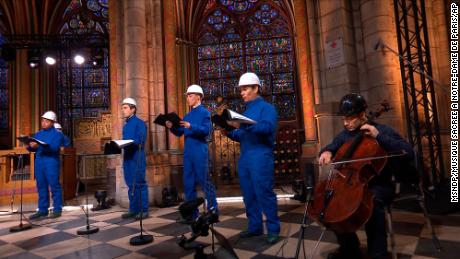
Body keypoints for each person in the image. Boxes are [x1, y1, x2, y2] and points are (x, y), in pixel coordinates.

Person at [318, 93, 414, 259]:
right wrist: (326, 151)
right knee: (330, 202)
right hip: (351, 183)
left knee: (372, 201)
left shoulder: (382, 130)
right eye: (343, 119)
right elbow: (331, 146)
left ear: (362, 115)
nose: (346, 123)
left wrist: (378, 136)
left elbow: (408, 152)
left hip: (380, 184)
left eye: (350, 118)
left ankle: (378, 253)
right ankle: (350, 247)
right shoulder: (344, 135)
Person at [224, 72, 280, 244]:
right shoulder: (246, 111)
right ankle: (255, 227)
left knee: (264, 193)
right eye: (241, 90)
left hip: (261, 155)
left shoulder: (267, 108)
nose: (242, 93)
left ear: (256, 88)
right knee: (248, 194)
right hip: (246, 157)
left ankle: (273, 230)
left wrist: (243, 124)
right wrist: (228, 130)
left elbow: (267, 128)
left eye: (245, 89)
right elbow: (242, 135)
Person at [166, 84, 218, 220]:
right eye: (187, 96)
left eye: (190, 96)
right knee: (188, 183)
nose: (187, 98)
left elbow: (206, 131)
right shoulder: (187, 115)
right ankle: (192, 214)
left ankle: (213, 212)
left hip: (200, 152)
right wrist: (171, 128)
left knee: (205, 182)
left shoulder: (205, 113)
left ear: (198, 97)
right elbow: (180, 132)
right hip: (188, 153)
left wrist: (191, 125)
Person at [28, 111, 64, 219]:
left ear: (52, 122)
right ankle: (42, 209)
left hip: (51, 162)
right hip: (39, 162)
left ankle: (57, 209)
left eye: (46, 121)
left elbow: (54, 148)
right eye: (42, 120)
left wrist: (39, 145)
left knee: (54, 185)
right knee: (41, 186)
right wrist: (30, 146)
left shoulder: (57, 134)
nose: (43, 123)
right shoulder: (38, 134)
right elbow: (31, 148)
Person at [120, 97, 148, 220]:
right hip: (127, 157)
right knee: (131, 184)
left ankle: (144, 210)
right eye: (122, 108)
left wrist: (129, 142)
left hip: (137, 157)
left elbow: (140, 140)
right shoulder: (125, 126)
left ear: (133, 109)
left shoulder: (140, 123)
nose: (123, 110)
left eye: (125, 108)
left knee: (140, 183)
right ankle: (133, 209)